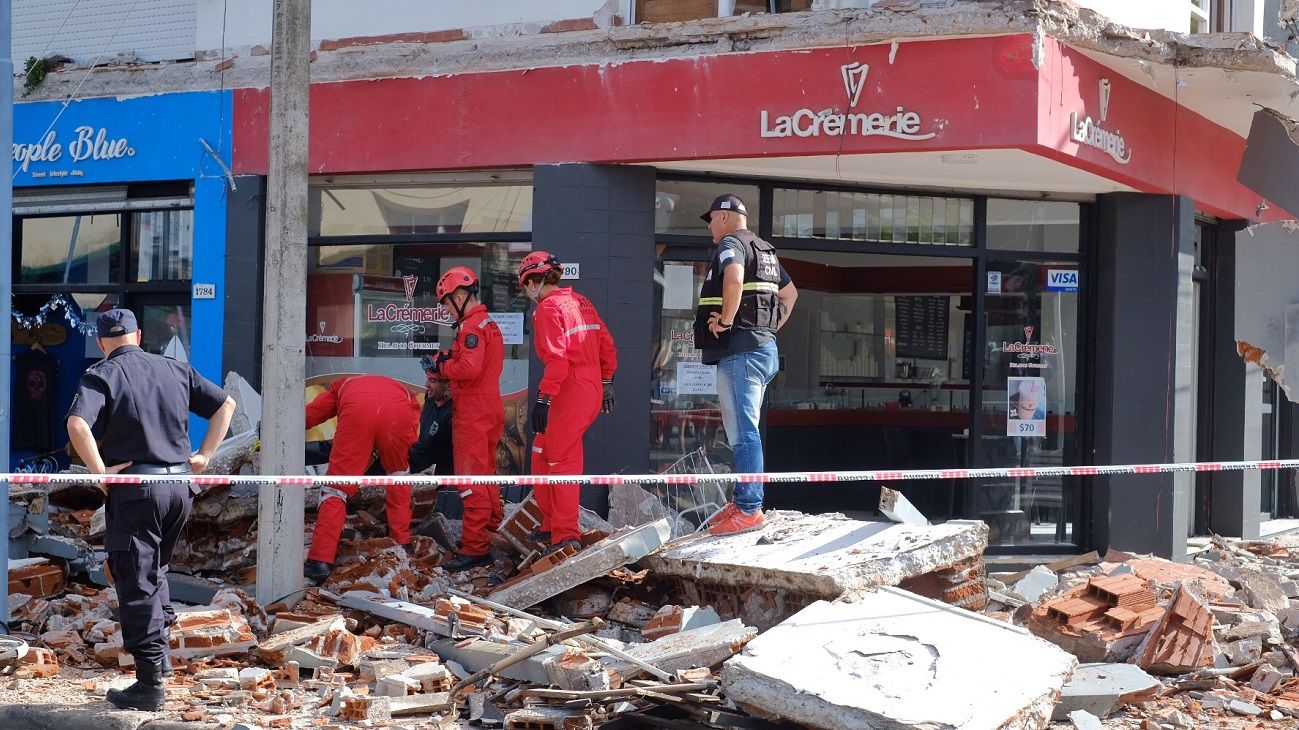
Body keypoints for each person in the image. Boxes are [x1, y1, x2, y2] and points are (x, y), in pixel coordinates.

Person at [65, 309, 236, 711]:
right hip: (180, 487)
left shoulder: (102, 374)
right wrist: (205, 455)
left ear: (103, 342)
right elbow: (225, 405)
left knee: (136, 577)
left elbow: (77, 425)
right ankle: (161, 664)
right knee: (155, 570)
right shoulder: (174, 368)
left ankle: (149, 684)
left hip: (138, 490)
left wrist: (100, 473)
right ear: (138, 335)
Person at [695, 194, 798, 536]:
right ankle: (743, 502)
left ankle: (750, 508)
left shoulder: (731, 244)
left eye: (711, 219)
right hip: (761, 350)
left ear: (724, 217)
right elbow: (790, 295)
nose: (710, 226)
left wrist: (725, 323)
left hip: (740, 354)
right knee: (744, 429)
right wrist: (766, 331)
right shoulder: (764, 250)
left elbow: (734, 279)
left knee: (743, 433)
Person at [518, 252, 617, 554]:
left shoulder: (548, 309)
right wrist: (606, 381)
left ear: (534, 281)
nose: (527, 292)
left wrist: (543, 398)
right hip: (588, 388)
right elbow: (606, 343)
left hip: (568, 388)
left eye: (526, 286)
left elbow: (558, 361)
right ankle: (551, 525)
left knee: (561, 462)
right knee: (542, 451)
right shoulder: (581, 302)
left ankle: (564, 535)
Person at [303, 375, 420, 583]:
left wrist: (274, 429)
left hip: (357, 411)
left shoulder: (341, 386)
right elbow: (411, 432)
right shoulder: (403, 389)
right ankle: (402, 543)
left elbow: (310, 415)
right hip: (397, 412)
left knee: (336, 489)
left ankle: (319, 561)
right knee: (398, 477)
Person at [427, 267, 505, 571]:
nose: (446, 310)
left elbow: (469, 370)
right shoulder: (488, 323)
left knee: (469, 479)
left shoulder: (471, 327)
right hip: (489, 406)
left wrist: (442, 368)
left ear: (460, 296)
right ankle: (490, 532)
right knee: (486, 475)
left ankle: (474, 548)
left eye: (446, 303)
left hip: (472, 411)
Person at [408, 369, 454, 477]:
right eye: (427, 379)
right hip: (416, 459)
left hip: (434, 475)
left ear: (449, 385)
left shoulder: (453, 415)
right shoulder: (430, 399)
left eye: (433, 380)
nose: (426, 385)